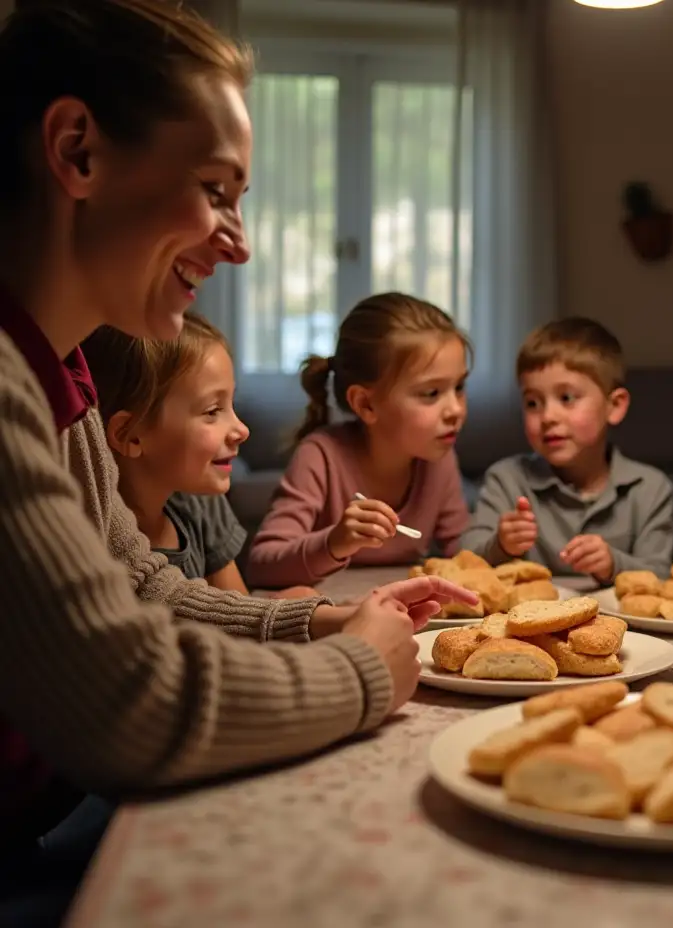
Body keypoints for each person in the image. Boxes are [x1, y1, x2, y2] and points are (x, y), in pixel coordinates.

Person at [0, 3, 475, 922]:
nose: (239, 242)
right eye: (216, 190)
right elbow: (125, 703)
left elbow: (138, 583)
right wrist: (363, 673)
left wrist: (318, 625)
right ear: (77, 151)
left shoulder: (62, 376)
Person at [245, 293, 471, 589]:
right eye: (431, 393)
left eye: (460, 386)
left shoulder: (438, 458)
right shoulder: (321, 456)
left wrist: (501, 545)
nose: (455, 409)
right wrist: (334, 542)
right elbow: (261, 566)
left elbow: (465, 554)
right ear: (365, 404)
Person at [459, 317, 673, 582]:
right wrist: (501, 545)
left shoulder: (650, 488)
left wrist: (613, 564)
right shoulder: (507, 480)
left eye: (566, 398)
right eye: (532, 403)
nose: (548, 416)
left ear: (615, 406)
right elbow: (465, 560)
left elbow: (661, 576)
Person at [81, 313, 251, 591]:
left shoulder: (200, 502)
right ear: (130, 435)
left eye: (231, 404)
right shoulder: (99, 548)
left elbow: (243, 617)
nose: (242, 430)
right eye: (212, 411)